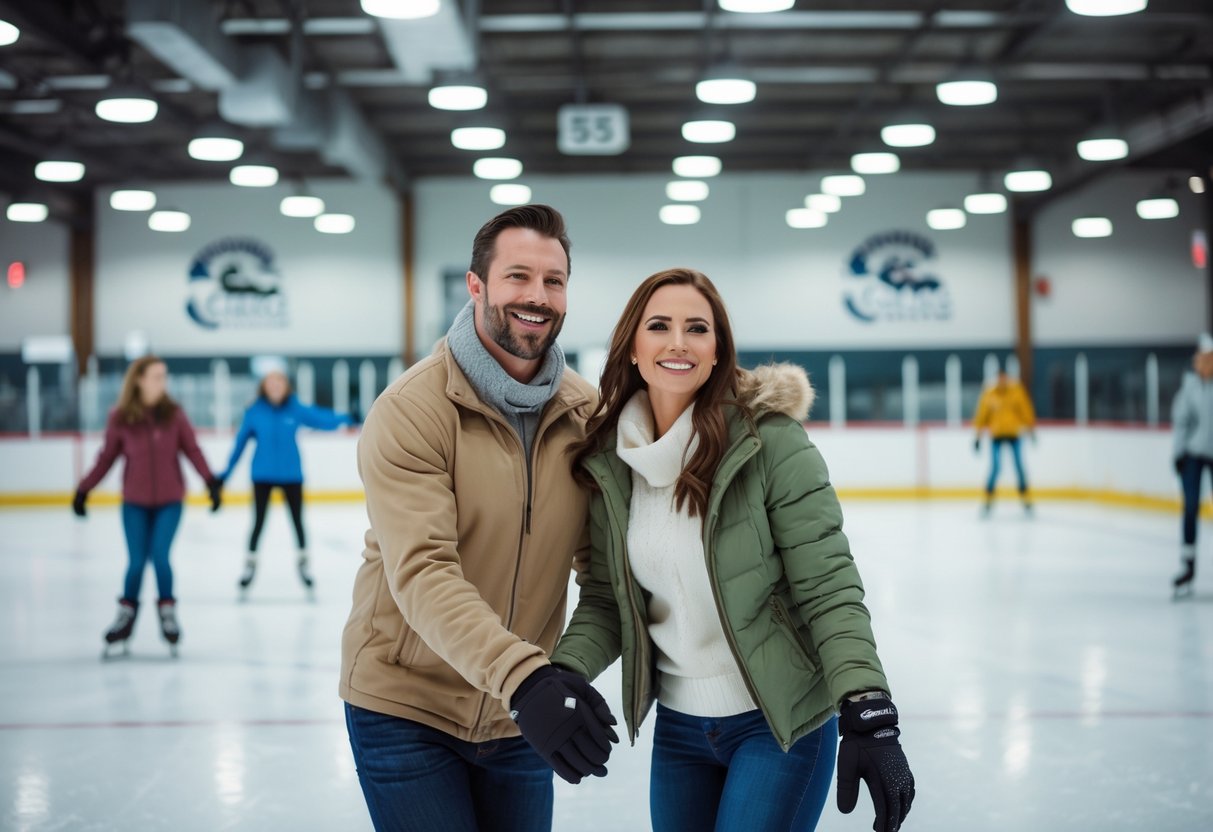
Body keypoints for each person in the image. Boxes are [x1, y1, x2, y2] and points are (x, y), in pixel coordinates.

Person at [550, 268, 914, 832]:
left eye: (698, 328)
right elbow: (605, 599)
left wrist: (868, 707)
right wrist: (562, 676)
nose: (678, 343)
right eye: (659, 327)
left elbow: (828, 585)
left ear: (718, 351)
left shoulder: (769, 443)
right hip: (678, 728)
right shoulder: (610, 464)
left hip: (779, 722)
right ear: (634, 349)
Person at [339, 204, 618, 832]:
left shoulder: (586, 415)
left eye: (554, 280)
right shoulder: (413, 410)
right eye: (518, 276)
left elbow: (603, 573)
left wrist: (561, 676)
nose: (537, 296)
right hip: (406, 707)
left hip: (515, 716)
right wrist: (528, 680)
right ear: (477, 286)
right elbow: (424, 573)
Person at [73, 355, 222, 657]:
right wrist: (83, 489)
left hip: (170, 501)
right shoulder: (121, 417)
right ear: (139, 379)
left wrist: (210, 481)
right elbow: (106, 458)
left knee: (160, 557)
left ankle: (167, 613)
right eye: (156, 376)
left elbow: (192, 450)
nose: (161, 382)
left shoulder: (174, 415)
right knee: (137, 562)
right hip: (134, 504)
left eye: (164, 376)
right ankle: (125, 617)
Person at [216, 367, 352, 595]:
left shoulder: (295, 408)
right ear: (264, 387)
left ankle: (304, 566)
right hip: (262, 476)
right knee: (258, 523)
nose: (276, 386)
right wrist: (224, 477)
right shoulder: (254, 412)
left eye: (279, 382)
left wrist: (347, 418)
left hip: (291, 475)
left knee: (297, 522)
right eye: (271, 382)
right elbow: (239, 446)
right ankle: (250, 566)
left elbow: (321, 418)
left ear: (286, 386)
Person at [1170, 332, 1213, 598]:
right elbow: (1181, 423)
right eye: (1201, 358)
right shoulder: (1189, 387)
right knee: (1191, 508)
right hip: (1193, 455)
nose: (1203, 363)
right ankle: (1188, 567)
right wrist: (1178, 454)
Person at [973, 368, 1036, 516]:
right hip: (997, 435)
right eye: (1000, 378)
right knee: (995, 468)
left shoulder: (1016, 392)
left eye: (1004, 377)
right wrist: (978, 436)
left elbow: (1025, 411)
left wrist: (1031, 430)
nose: (1002, 380)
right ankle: (988, 501)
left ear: (1007, 377)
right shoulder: (990, 394)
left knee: (1019, 466)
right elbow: (982, 416)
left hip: (1013, 435)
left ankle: (1026, 499)